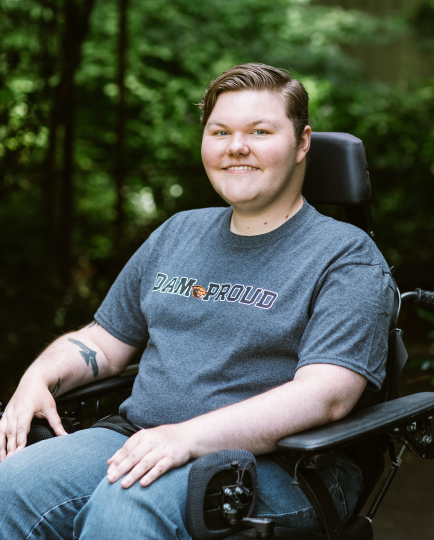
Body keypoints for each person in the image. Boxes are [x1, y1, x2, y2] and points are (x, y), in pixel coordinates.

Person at [0, 63, 395, 540]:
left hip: (283, 467)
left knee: (127, 508)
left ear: (302, 142)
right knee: (11, 484)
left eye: (260, 131)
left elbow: (327, 395)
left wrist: (185, 438)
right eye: (220, 131)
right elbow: (104, 342)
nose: (236, 147)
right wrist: (38, 376)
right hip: (139, 438)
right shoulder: (177, 233)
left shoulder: (346, 255)